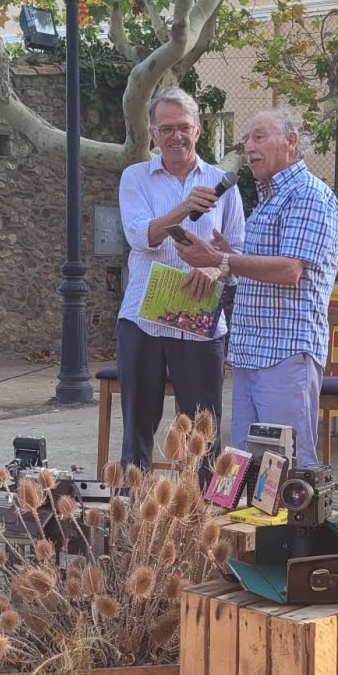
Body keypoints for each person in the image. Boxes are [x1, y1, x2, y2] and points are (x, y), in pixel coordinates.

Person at [174, 108, 338, 468]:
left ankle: (294, 529)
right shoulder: (268, 199)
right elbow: (258, 270)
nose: (248, 147)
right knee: (248, 472)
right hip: (250, 352)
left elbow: (289, 270)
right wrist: (226, 255)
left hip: (285, 351)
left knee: (286, 470)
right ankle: (259, 528)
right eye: (245, 139)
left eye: (259, 137)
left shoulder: (307, 195)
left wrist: (223, 260)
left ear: (291, 142)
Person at [116, 87, 245, 472]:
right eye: (166, 128)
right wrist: (186, 205)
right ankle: (133, 513)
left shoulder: (224, 183)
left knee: (203, 431)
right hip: (143, 319)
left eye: (183, 127)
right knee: (138, 428)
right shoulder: (135, 177)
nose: (176, 136)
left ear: (199, 130)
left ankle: (202, 516)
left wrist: (214, 266)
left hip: (200, 322)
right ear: (153, 135)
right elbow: (142, 237)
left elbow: (237, 254)